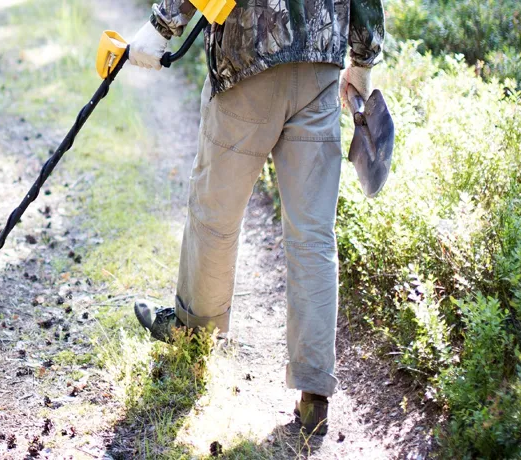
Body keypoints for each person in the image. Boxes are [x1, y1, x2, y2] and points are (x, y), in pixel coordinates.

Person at [128, 0, 384, 436]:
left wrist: (162, 25)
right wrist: (363, 59)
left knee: (215, 213)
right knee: (314, 236)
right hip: (321, 60)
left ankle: (195, 333)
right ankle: (314, 392)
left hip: (250, 50)